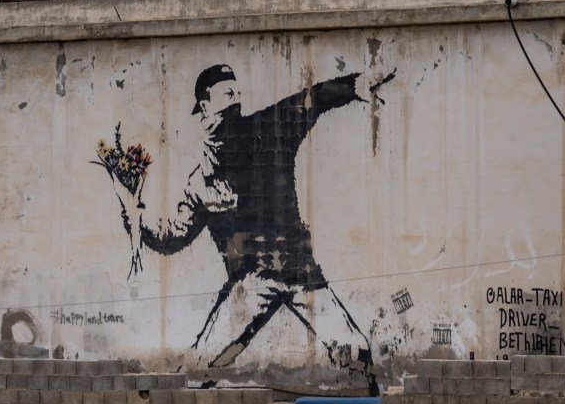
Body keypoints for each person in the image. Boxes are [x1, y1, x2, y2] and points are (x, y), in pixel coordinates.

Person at [108, 63, 388, 380]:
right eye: (228, 94)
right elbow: (174, 237)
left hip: (301, 273)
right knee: (202, 363)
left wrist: (355, 85)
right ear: (205, 105)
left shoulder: (267, 127)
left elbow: (312, 99)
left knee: (356, 350)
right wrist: (135, 218)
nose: (236, 100)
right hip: (251, 282)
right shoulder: (202, 178)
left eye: (238, 94)